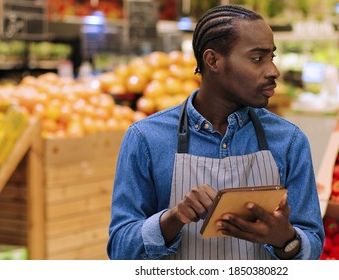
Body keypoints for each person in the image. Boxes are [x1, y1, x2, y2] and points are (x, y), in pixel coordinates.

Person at [107, 4, 324, 260]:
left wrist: (286, 240)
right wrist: (173, 218)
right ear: (213, 61)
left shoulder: (289, 141)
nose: (273, 71)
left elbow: (313, 241)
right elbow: (119, 249)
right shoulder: (145, 139)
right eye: (257, 58)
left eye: (272, 57)